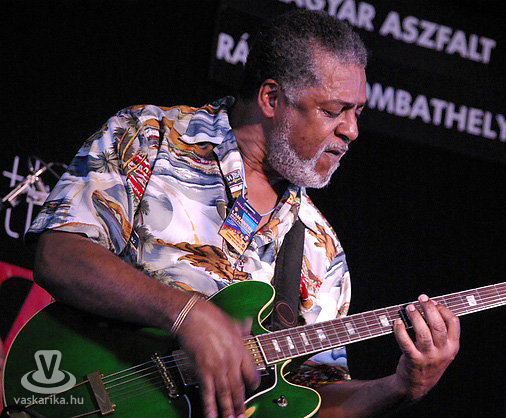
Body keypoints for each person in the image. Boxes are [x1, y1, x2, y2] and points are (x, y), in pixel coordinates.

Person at [27, 9, 459, 418]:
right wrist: (185, 314)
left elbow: (308, 400)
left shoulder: (322, 250)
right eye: (333, 111)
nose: (351, 130)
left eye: (357, 112)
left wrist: (401, 387)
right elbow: (59, 255)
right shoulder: (149, 137)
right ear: (271, 98)